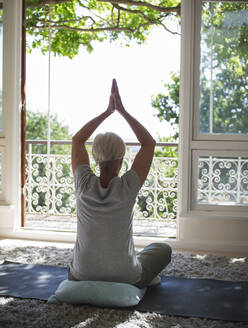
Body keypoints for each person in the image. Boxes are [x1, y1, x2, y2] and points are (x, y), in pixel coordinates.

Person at [68, 79, 172, 289]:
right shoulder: (129, 186)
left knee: (74, 263)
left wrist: (107, 111)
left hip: (81, 276)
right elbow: (149, 144)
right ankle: (143, 279)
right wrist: (122, 111)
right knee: (162, 249)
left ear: (95, 158)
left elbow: (78, 140)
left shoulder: (83, 183)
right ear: (123, 157)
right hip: (126, 278)